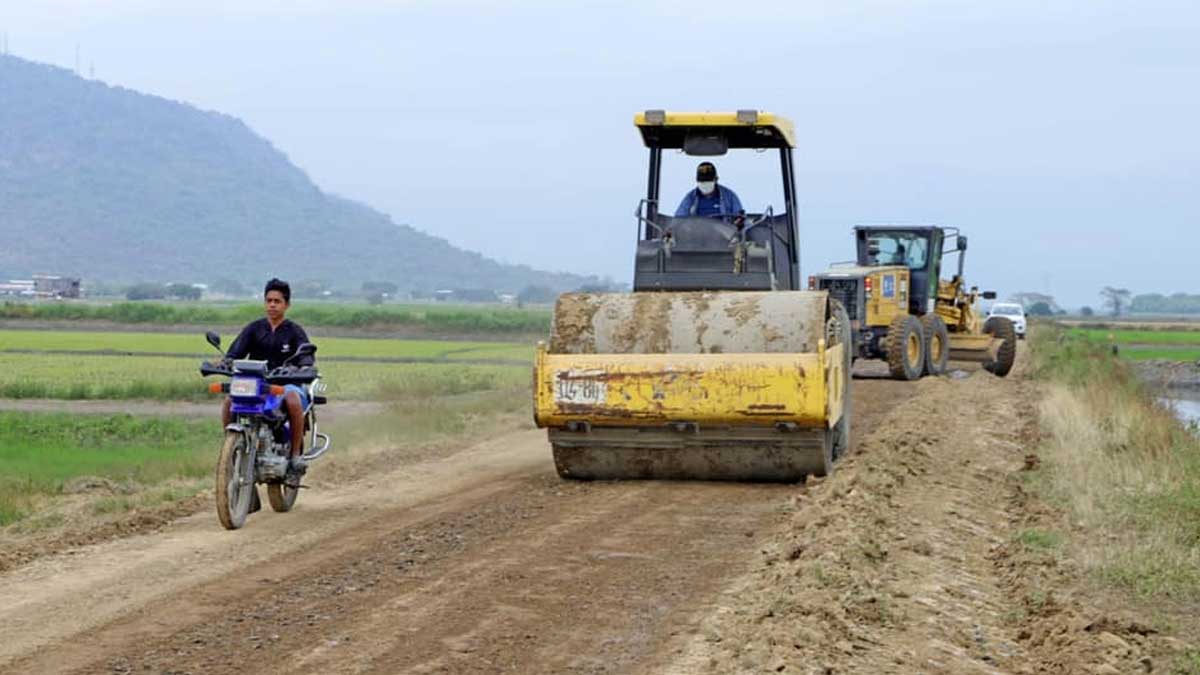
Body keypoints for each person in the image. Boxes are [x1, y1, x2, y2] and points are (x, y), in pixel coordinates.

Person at [221, 278, 315, 486]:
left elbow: (306, 356)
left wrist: (303, 367)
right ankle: (231, 450)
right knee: (229, 401)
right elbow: (235, 352)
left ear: (286, 305)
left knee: (292, 398)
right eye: (269, 300)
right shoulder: (254, 329)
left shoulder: (294, 331)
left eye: (277, 301)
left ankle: (295, 456)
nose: (272, 305)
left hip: (286, 384)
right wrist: (225, 362)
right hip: (257, 385)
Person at [674, 161, 744, 221]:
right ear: (696, 180)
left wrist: (739, 222)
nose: (705, 184)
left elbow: (740, 219)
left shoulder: (730, 197)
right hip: (696, 235)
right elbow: (678, 220)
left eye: (708, 181)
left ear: (716, 179)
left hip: (724, 236)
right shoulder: (690, 198)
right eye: (702, 181)